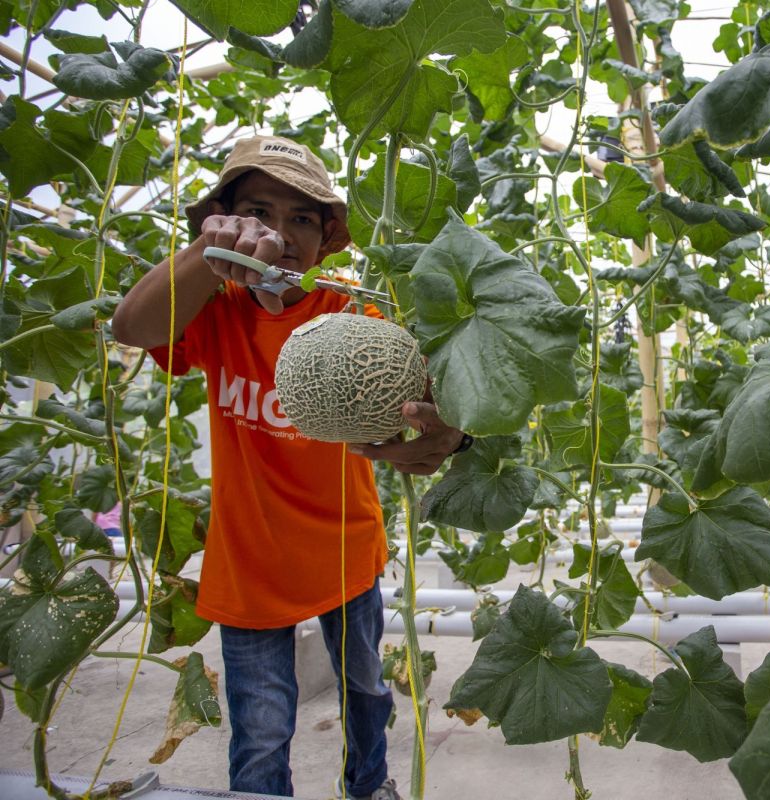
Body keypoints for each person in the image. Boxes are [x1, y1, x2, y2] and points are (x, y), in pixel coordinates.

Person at [111, 135, 467, 800]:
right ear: (223, 220)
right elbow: (130, 329)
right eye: (255, 214)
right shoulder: (211, 314)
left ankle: (369, 787)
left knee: (366, 695)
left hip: (345, 554)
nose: (276, 235)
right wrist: (205, 254)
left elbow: (428, 400)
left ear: (327, 236)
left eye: (300, 218)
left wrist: (446, 433)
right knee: (260, 731)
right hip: (247, 565)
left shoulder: (351, 313)